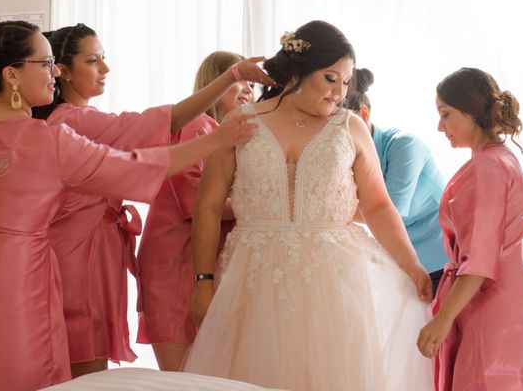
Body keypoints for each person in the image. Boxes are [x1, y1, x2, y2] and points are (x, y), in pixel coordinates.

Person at [0, 21, 257, 391]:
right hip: (18, 275)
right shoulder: (50, 140)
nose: (55, 71)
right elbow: (136, 166)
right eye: (45, 64)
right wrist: (214, 140)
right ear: (11, 74)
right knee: (24, 372)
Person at [183, 20, 434, 390]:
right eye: (331, 78)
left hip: (334, 280)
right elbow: (207, 207)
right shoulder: (241, 122)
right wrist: (202, 281)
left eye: (346, 82)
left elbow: (378, 206)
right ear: (298, 70)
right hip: (253, 278)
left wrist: (411, 264)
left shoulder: (349, 127)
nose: (340, 92)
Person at [33, 24, 273, 377]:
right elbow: (163, 126)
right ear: (63, 71)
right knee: (83, 355)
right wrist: (231, 76)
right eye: (93, 61)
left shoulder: (78, 119)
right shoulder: (72, 119)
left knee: (87, 357)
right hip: (82, 251)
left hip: (97, 249)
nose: (105, 70)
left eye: (104, 60)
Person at [417, 68, 523, 390]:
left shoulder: (488, 168)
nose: (439, 126)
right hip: (508, 308)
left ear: (472, 110)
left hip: (493, 315)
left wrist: (443, 318)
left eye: (446, 114)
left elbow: (480, 259)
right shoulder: (500, 158)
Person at [137, 51, 253, 371]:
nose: (248, 90)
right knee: (183, 373)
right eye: (240, 81)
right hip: (177, 262)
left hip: (195, 260)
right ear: (215, 83)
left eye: (252, 86)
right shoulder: (197, 125)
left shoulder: (228, 134)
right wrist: (262, 206)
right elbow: (195, 201)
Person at [348, 67, 449, 294]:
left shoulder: (405, 146)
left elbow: (389, 211)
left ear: (363, 115)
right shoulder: (346, 158)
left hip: (443, 265)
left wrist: (324, 209)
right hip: (402, 266)